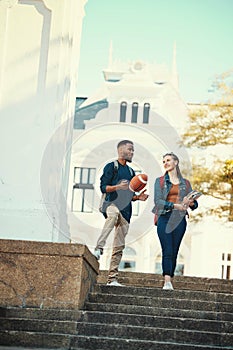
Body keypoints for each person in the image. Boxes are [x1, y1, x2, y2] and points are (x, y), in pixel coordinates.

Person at [94, 140, 149, 286]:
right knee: (112, 215)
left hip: (126, 211)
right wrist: (117, 186)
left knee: (119, 245)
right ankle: (99, 248)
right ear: (121, 150)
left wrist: (139, 197)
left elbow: (129, 194)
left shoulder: (131, 172)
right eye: (130, 149)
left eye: (133, 150)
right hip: (111, 204)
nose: (132, 152)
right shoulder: (112, 166)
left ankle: (112, 279)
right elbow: (103, 188)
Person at [153, 152, 198, 290]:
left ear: (176, 162)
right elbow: (158, 201)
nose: (165, 163)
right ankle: (167, 281)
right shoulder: (160, 181)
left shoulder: (186, 183)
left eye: (168, 160)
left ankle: (170, 278)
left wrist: (190, 203)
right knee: (167, 249)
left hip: (179, 219)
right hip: (164, 217)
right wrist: (174, 205)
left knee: (175, 250)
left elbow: (194, 205)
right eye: (164, 161)